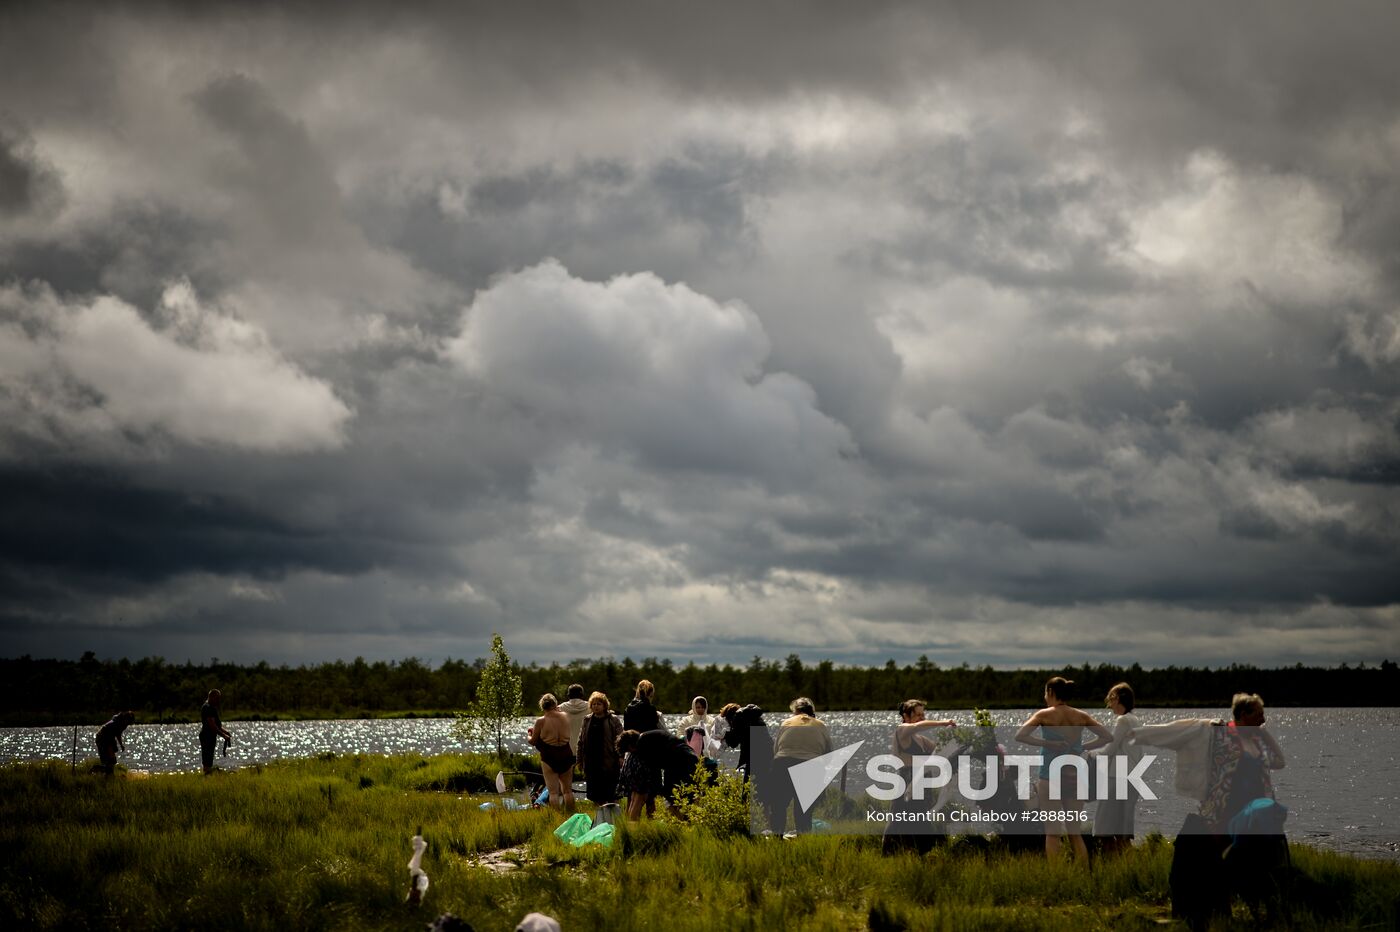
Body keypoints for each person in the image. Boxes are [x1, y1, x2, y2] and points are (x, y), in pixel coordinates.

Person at [1014, 677, 1112, 862]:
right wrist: (1082, 747)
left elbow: (1020, 735)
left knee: (1052, 833)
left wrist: (1047, 742)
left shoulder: (1044, 714)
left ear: (1051, 692)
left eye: (1045, 692)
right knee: (1075, 833)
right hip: (1076, 778)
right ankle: (1083, 872)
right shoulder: (1081, 716)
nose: (1044, 697)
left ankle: (1057, 874)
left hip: (1051, 777)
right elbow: (1107, 737)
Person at [1091, 682, 1143, 855]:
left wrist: (1089, 754)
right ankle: (1127, 867)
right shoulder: (1135, 720)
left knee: (1104, 828)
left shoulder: (1123, 720)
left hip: (1119, 777)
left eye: (1111, 699)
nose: (1109, 704)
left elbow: (1109, 750)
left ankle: (1111, 866)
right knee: (1123, 830)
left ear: (1118, 698)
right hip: (1133, 778)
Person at [770, 697, 834, 835]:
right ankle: (803, 840)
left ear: (795, 712)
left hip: (783, 763)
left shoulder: (786, 722)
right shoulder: (820, 725)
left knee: (778, 807)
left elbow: (776, 751)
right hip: (811, 765)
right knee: (804, 810)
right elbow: (829, 754)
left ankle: (777, 838)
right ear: (812, 712)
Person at [616, 728, 702, 820]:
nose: (632, 752)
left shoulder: (643, 744)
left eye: (629, 750)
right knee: (678, 796)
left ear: (631, 745)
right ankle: (685, 823)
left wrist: (659, 790)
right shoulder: (647, 736)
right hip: (685, 759)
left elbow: (653, 769)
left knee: (675, 797)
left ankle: (684, 823)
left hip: (682, 762)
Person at [528, 693, 576, 810]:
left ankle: (557, 816)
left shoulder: (541, 721)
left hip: (549, 756)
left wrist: (529, 735)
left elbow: (533, 741)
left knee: (553, 792)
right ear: (555, 704)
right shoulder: (566, 716)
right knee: (567, 791)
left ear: (542, 706)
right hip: (566, 754)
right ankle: (570, 813)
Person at [576, 691, 624, 805]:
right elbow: (581, 741)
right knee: (595, 795)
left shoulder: (613, 719)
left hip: (609, 761)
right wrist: (579, 760)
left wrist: (621, 756)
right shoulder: (587, 720)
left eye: (598, 704)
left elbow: (621, 739)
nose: (595, 706)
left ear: (605, 705)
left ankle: (614, 818)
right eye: (593, 704)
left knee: (611, 793)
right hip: (591, 763)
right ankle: (600, 818)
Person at [200, 689, 232, 775]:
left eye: (219, 698)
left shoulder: (211, 707)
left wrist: (226, 732)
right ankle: (206, 775)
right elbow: (212, 725)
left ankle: (208, 774)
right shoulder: (208, 708)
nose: (218, 700)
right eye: (217, 698)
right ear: (211, 697)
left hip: (210, 736)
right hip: (207, 736)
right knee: (207, 759)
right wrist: (224, 736)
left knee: (209, 758)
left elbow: (217, 725)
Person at [557, 684, 590, 758]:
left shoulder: (559, 709)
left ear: (568, 695)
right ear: (582, 695)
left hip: (565, 749)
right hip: (585, 749)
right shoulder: (591, 707)